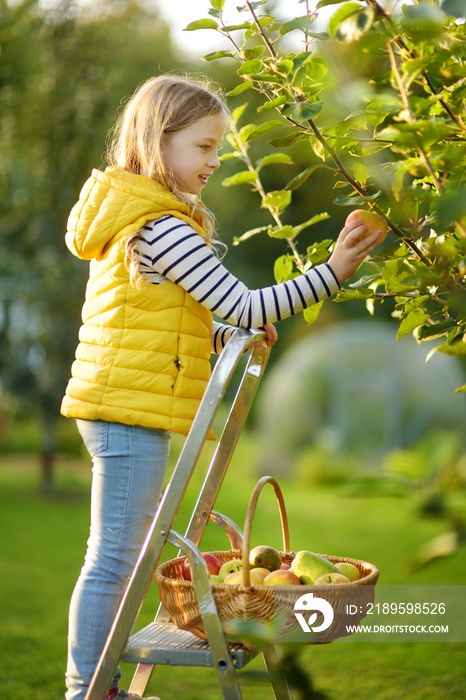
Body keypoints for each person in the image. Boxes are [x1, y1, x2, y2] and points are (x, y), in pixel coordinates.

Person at [61, 73, 382, 700]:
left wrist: (218, 341)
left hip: (122, 403)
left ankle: (94, 690)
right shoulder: (161, 226)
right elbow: (244, 304)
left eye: (219, 148)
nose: (216, 161)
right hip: (128, 411)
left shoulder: (143, 216)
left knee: (118, 556)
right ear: (162, 141)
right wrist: (335, 271)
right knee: (115, 562)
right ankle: (87, 692)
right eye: (205, 147)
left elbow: (168, 324)